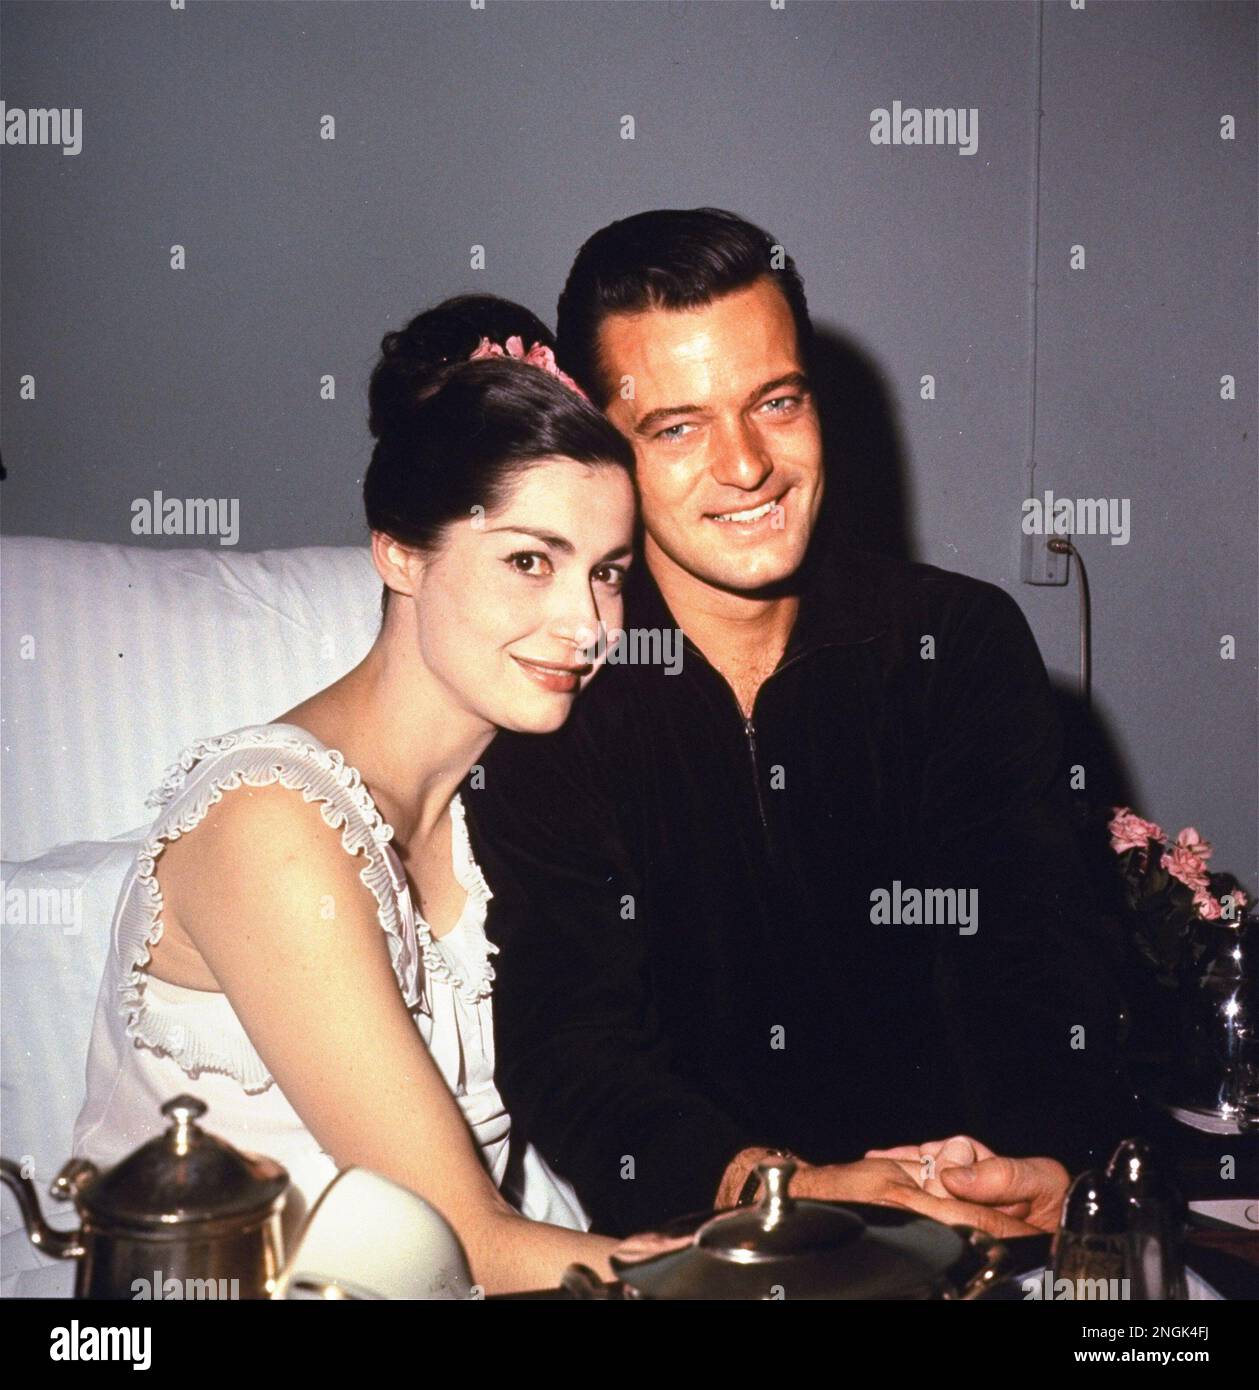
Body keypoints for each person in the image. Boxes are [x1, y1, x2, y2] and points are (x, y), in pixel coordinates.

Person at [464, 208, 1138, 1241]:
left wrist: (1047, 1162)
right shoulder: (556, 684)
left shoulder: (952, 642)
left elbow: (1041, 957)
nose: (745, 467)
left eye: (773, 403)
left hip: (973, 1231)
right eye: (676, 426)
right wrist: (777, 1194)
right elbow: (570, 1040)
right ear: (602, 446)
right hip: (707, 1246)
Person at [72, 295, 645, 1296]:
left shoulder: (504, 809)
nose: (587, 624)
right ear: (396, 552)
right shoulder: (271, 827)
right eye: (527, 561)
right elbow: (465, 1239)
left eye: (607, 573)